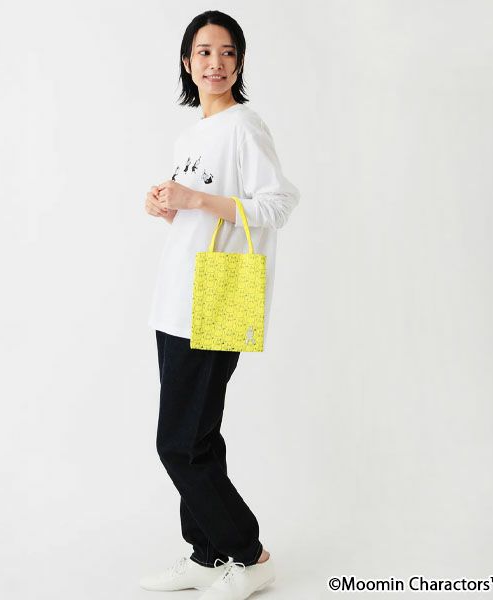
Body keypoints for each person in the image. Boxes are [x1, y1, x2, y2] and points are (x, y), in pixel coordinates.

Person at [141, 10, 299, 600]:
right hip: (177, 297)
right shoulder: (192, 136)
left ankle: (248, 555)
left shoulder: (244, 126)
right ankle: (207, 554)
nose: (216, 63)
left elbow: (277, 204)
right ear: (187, 62)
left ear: (240, 62)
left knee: (178, 444)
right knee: (199, 436)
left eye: (227, 52)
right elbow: (204, 217)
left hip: (222, 293)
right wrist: (169, 207)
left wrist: (197, 199)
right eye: (204, 52)